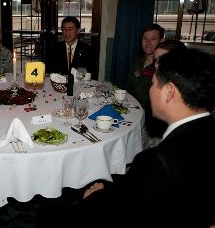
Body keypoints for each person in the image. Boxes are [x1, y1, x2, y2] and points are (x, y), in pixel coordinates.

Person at [38, 49, 215, 228]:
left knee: (51, 209)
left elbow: (123, 208)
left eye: (153, 84)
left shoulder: (157, 161)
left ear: (169, 92)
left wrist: (96, 195)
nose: (150, 90)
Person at [143, 39, 189, 149]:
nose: (157, 64)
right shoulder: (159, 80)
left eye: (162, 59)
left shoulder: (182, 90)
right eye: (156, 60)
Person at [126, 23, 164, 110]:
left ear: (161, 41)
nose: (148, 43)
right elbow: (128, 90)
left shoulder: (163, 68)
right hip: (132, 110)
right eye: (145, 39)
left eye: (153, 39)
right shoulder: (136, 62)